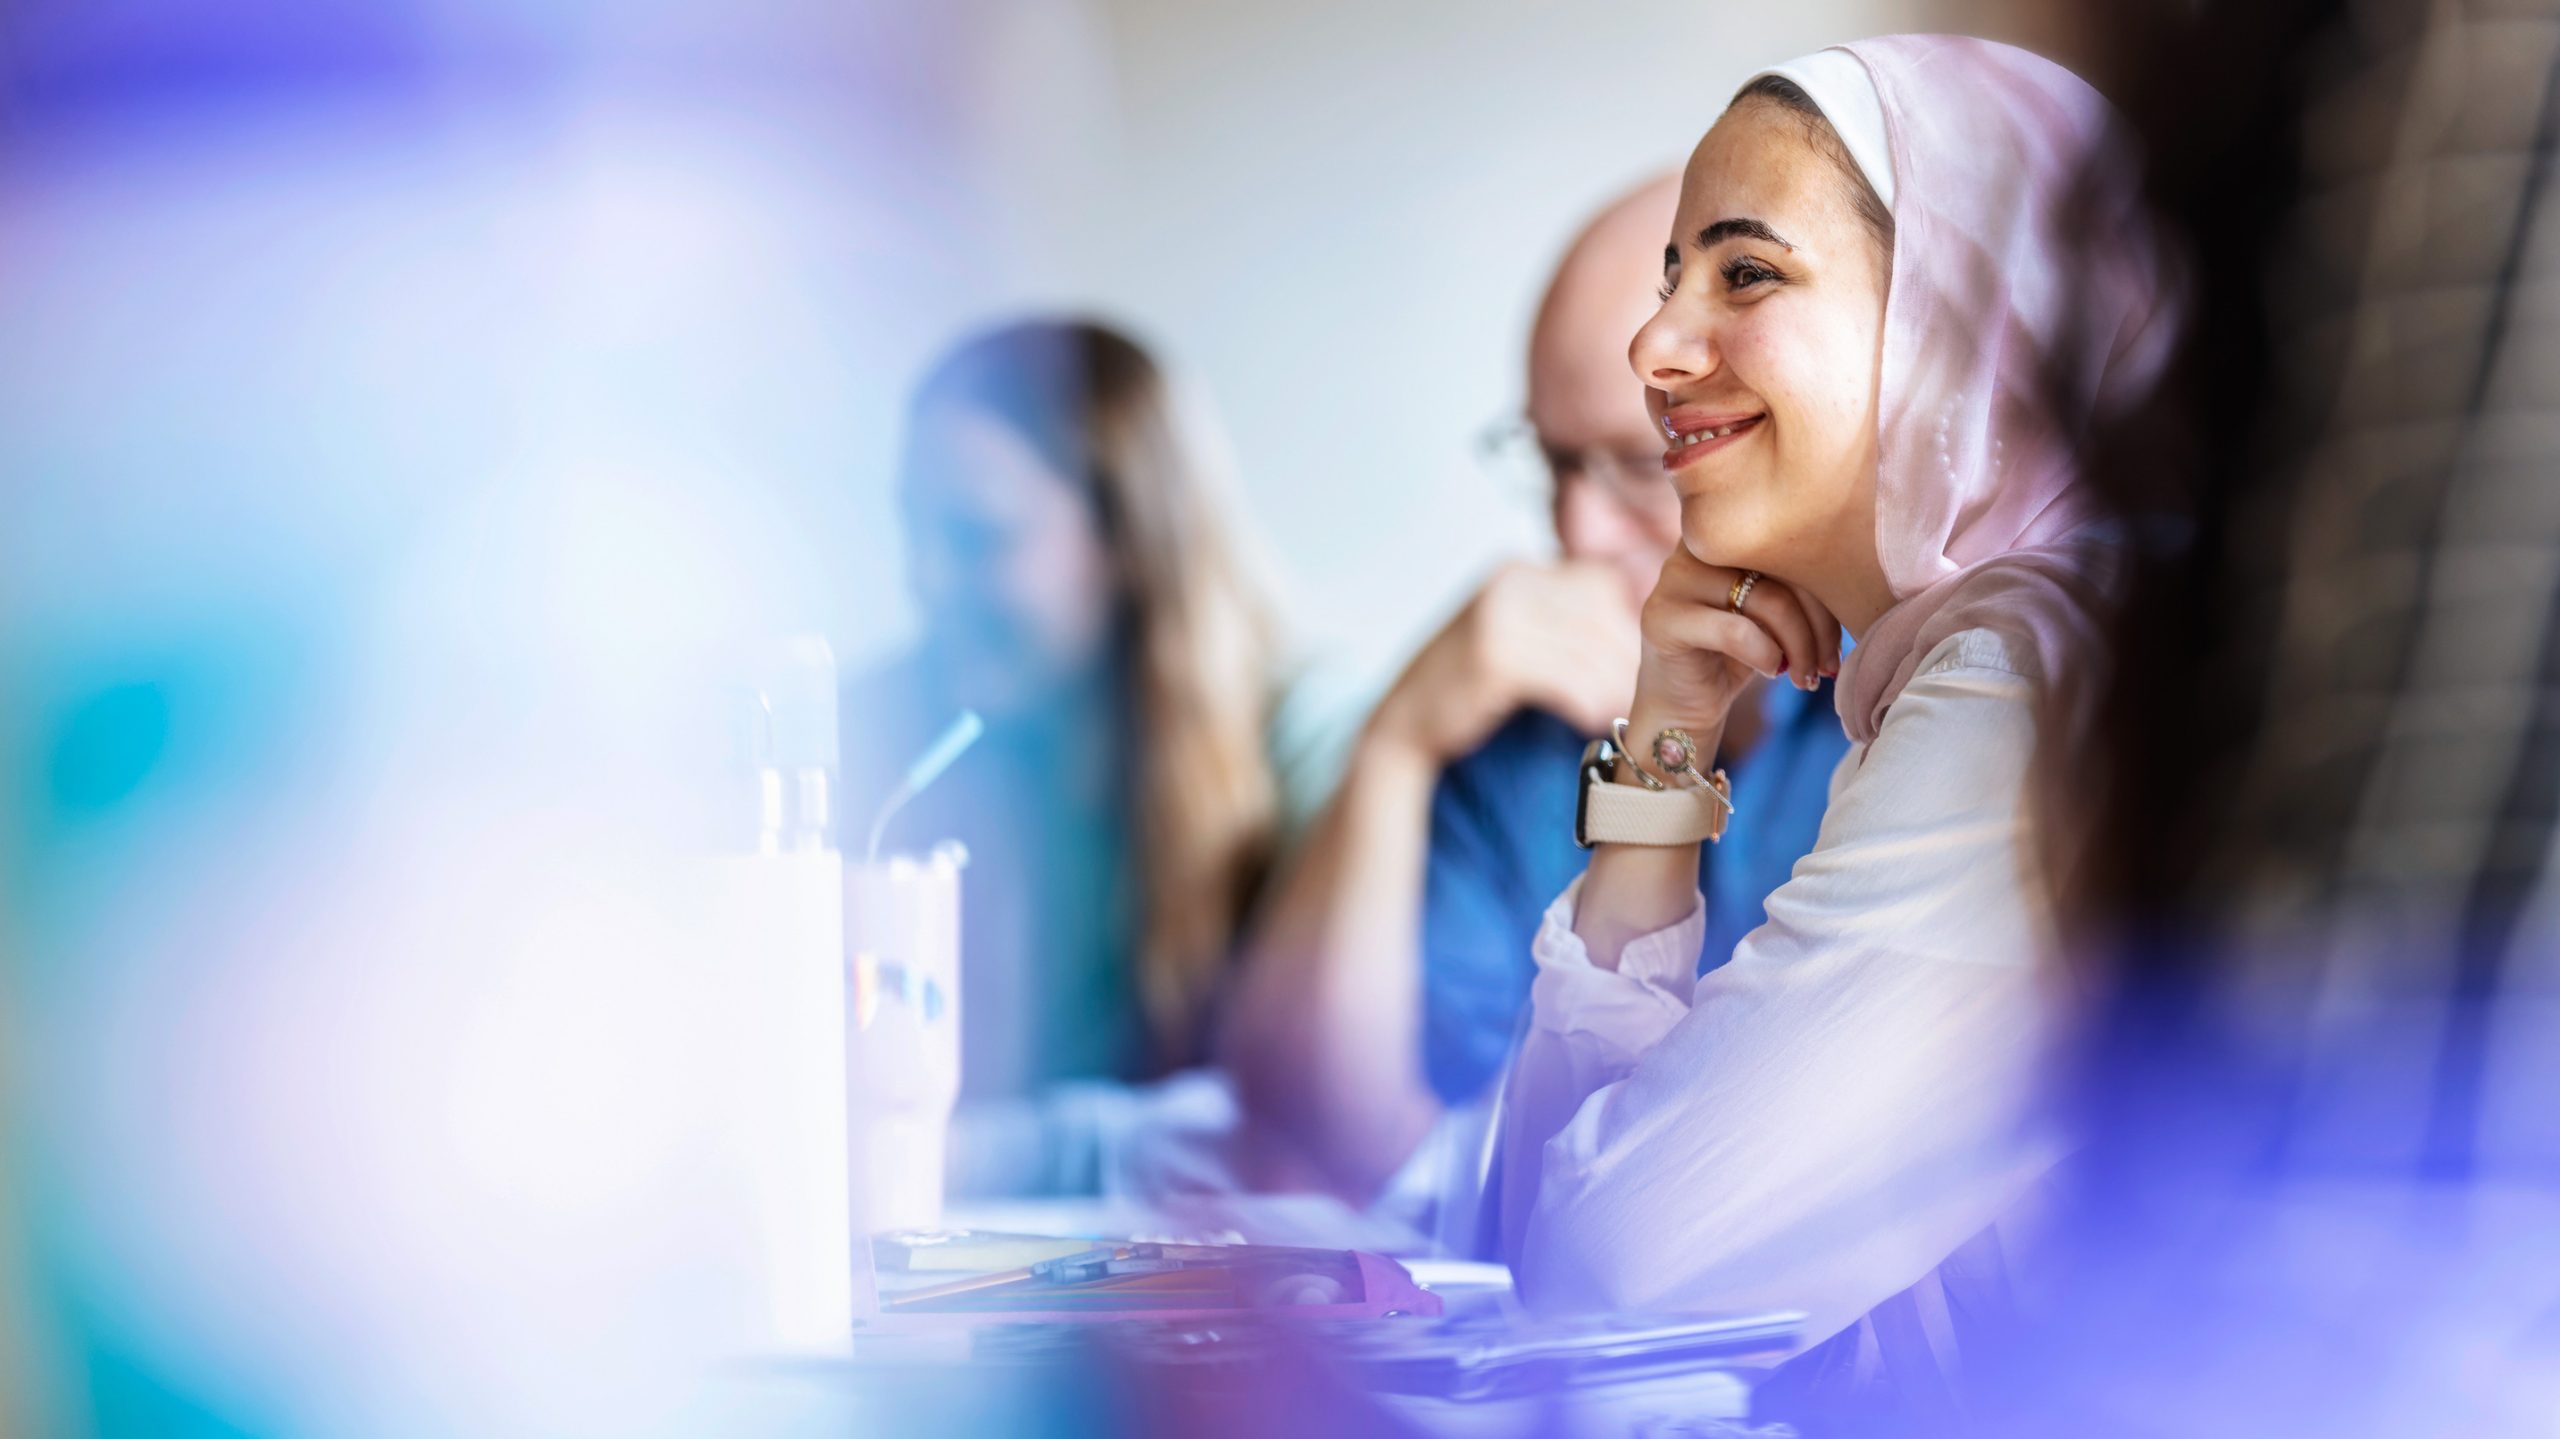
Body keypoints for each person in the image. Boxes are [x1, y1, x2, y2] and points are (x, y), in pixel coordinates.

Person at [1491, 35, 2173, 1403]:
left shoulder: (2028, 680)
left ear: (1970, 319)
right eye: (1672, 276)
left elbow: (1610, 1269)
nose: (1655, 346)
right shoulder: (1993, 649)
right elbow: (1542, 1263)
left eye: (1746, 271)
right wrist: (1668, 727)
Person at [1220, 179, 1851, 1203]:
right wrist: (1394, 747)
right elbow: (1334, 1141)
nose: (1573, 531)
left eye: (1638, 463)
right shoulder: (1519, 727)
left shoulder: (1922, 689)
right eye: (1553, 462)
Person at [846, 319, 1282, 1123]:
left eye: (978, 538)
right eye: (913, 528)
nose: (926, 581)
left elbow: (1287, 1124)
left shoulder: (1304, 744)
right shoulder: (881, 731)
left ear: (1129, 537)